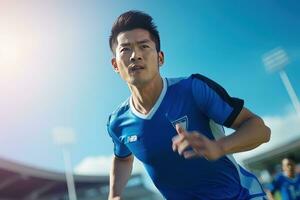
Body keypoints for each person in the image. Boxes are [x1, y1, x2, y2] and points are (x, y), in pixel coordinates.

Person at [107, 10, 271, 200]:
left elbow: (261, 130)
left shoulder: (193, 89)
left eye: (144, 46)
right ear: (115, 65)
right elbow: (122, 159)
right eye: (125, 49)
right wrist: (114, 194)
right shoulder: (118, 123)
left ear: (160, 58)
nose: (135, 55)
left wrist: (219, 147)